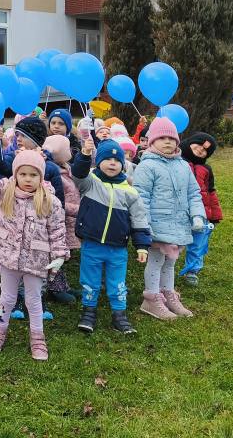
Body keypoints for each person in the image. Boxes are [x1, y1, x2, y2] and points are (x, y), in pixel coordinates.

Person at [0, 147, 67, 360]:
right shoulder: (5, 192)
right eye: (23, 174)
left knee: (34, 300)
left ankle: (38, 339)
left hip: (36, 260)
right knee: (6, 297)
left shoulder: (50, 201)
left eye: (33, 175)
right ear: (15, 174)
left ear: (41, 176)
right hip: (8, 256)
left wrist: (59, 255)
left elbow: (58, 230)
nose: (28, 179)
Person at [73, 140, 151, 334]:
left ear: (123, 164)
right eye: (107, 159)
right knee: (90, 280)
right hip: (92, 244)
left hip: (118, 248)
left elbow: (139, 219)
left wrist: (141, 245)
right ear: (98, 161)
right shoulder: (90, 182)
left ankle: (119, 315)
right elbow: (78, 173)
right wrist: (84, 154)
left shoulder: (130, 191)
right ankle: (88, 312)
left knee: (117, 282)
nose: (112, 163)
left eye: (117, 160)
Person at [132, 118, 206, 321]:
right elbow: (141, 197)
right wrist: (144, 225)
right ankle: (151, 298)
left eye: (171, 138)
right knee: (156, 261)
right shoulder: (147, 166)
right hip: (156, 224)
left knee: (170, 262)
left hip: (178, 224)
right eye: (162, 138)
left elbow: (193, 193)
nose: (167, 142)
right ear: (152, 141)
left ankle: (167, 294)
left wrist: (197, 215)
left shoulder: (183, 166)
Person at [179, 133, 223, 287]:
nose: (200, 151)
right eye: (198, 146)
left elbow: (211, 191)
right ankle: (165, 264)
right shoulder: (177, 161)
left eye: (205, 151)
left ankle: (192, 270)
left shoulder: (206, 169)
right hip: (180, 210)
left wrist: (214, 215)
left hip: (202, 212)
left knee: (198, 242)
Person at [42, 134, 80, 304]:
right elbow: (59, 201)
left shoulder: (68, 170)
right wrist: (79, 210)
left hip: (70, 221)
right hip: (62, 219)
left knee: (63, 255)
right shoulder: (54, 172)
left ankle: (62, 285)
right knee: (55, 255)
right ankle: (54, 287)